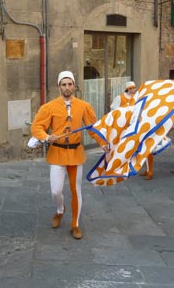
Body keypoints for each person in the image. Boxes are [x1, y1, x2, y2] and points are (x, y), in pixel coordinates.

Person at [31, 71, 108, 239]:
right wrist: (46, 137)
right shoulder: (49, 107)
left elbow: (93, 128)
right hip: (57, 152)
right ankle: (60, 210)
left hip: (75, 153)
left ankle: (75, 224)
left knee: (76, 190)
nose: (67, 87)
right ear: (59, 86)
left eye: (70, 84)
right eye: (64, 84)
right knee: (56, 191)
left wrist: (103, 143)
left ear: (74, 85)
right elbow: (36, 127)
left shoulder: (83, 106)